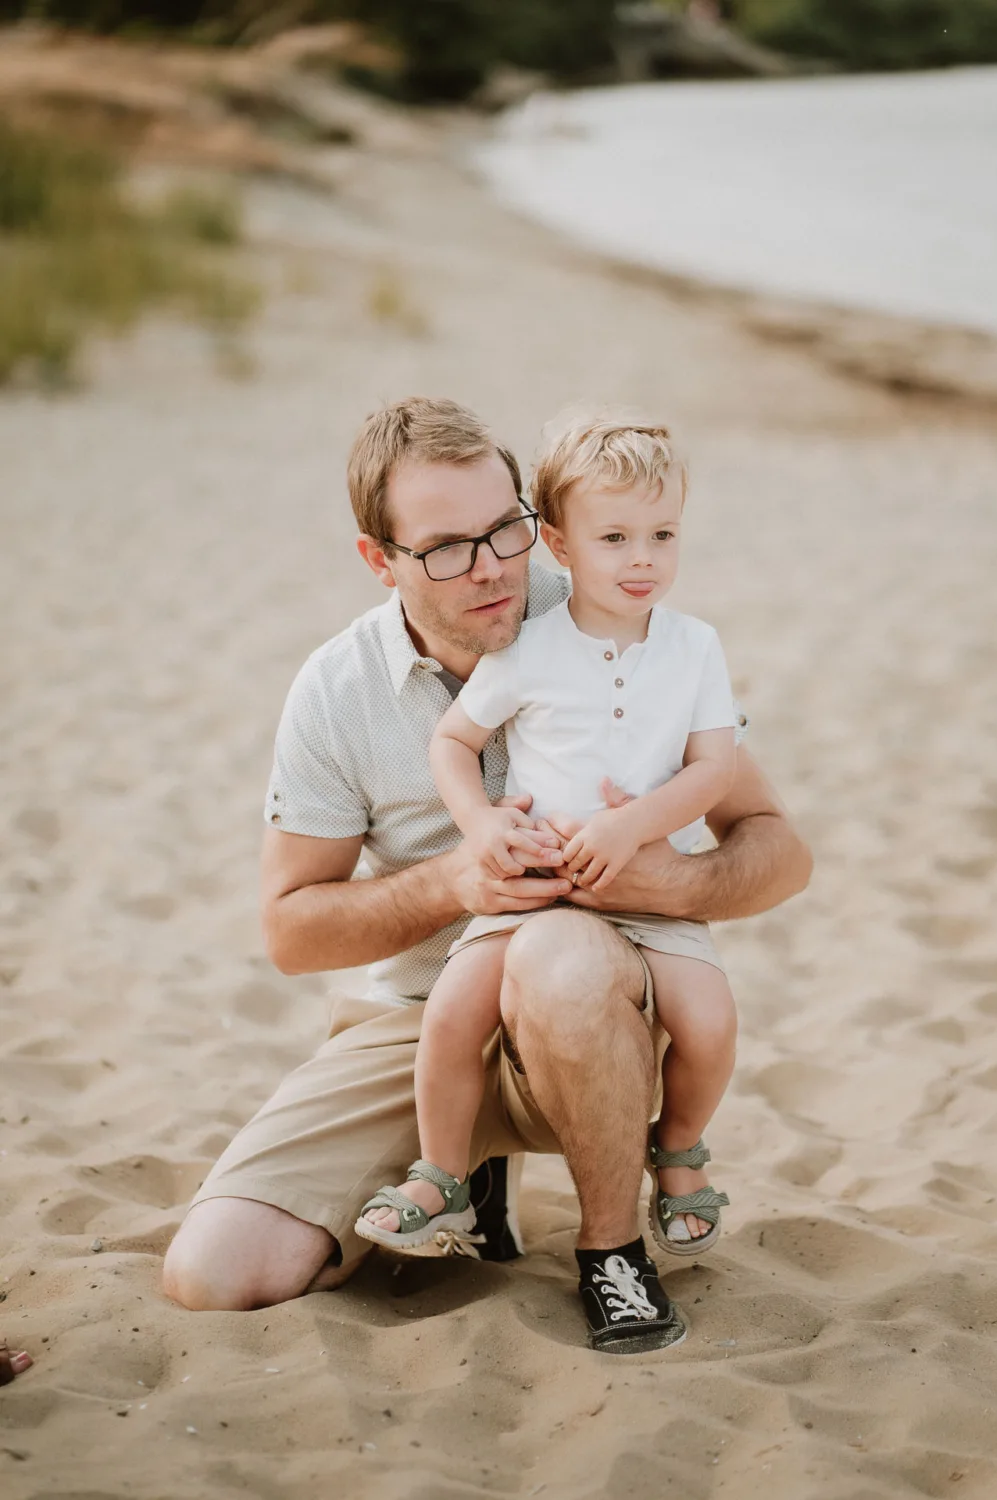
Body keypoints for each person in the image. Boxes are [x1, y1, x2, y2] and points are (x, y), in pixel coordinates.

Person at [162, 398, 811, 1352]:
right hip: (424, 1023)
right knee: (216, 1274)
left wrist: (665, 884)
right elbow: (290, 933)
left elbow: (778, 850)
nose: (495, 567)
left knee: (560, 954)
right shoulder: (336, 692)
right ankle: (461, 1166)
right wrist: (450, 884)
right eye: (445, 547)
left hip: (602, 1011)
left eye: (506, 528)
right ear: (379, 560)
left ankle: (612, 1252)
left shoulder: (607, 607)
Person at [356, 419, 739, 1309]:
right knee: (451, 1012)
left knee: (712, 1023)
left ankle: (677, 1152)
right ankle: (442, 1173)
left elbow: (716, 769)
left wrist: (633, 828)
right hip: (532, 898)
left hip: (649, 897)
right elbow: (454, 742)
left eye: (663, 535)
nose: (642, 559)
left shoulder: (695, 649)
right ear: (559, 545)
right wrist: (482, 826)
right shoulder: (529, 648)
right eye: (614, 538)